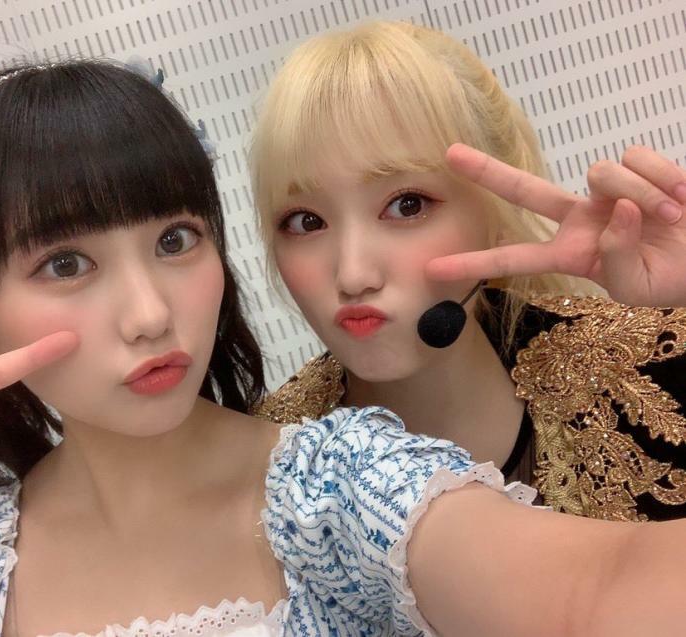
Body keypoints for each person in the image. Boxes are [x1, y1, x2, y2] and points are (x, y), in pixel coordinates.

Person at [0, 57, 686, 637]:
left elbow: (593, 591)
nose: (149, 314)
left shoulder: (344, 486)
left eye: (175, 240)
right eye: (66, 264)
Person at [250, 20, 686, 523]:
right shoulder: (264, 468)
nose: (353, 275)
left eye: (407, 205)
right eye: (306, 222)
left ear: (496, 208)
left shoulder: (658, 363)